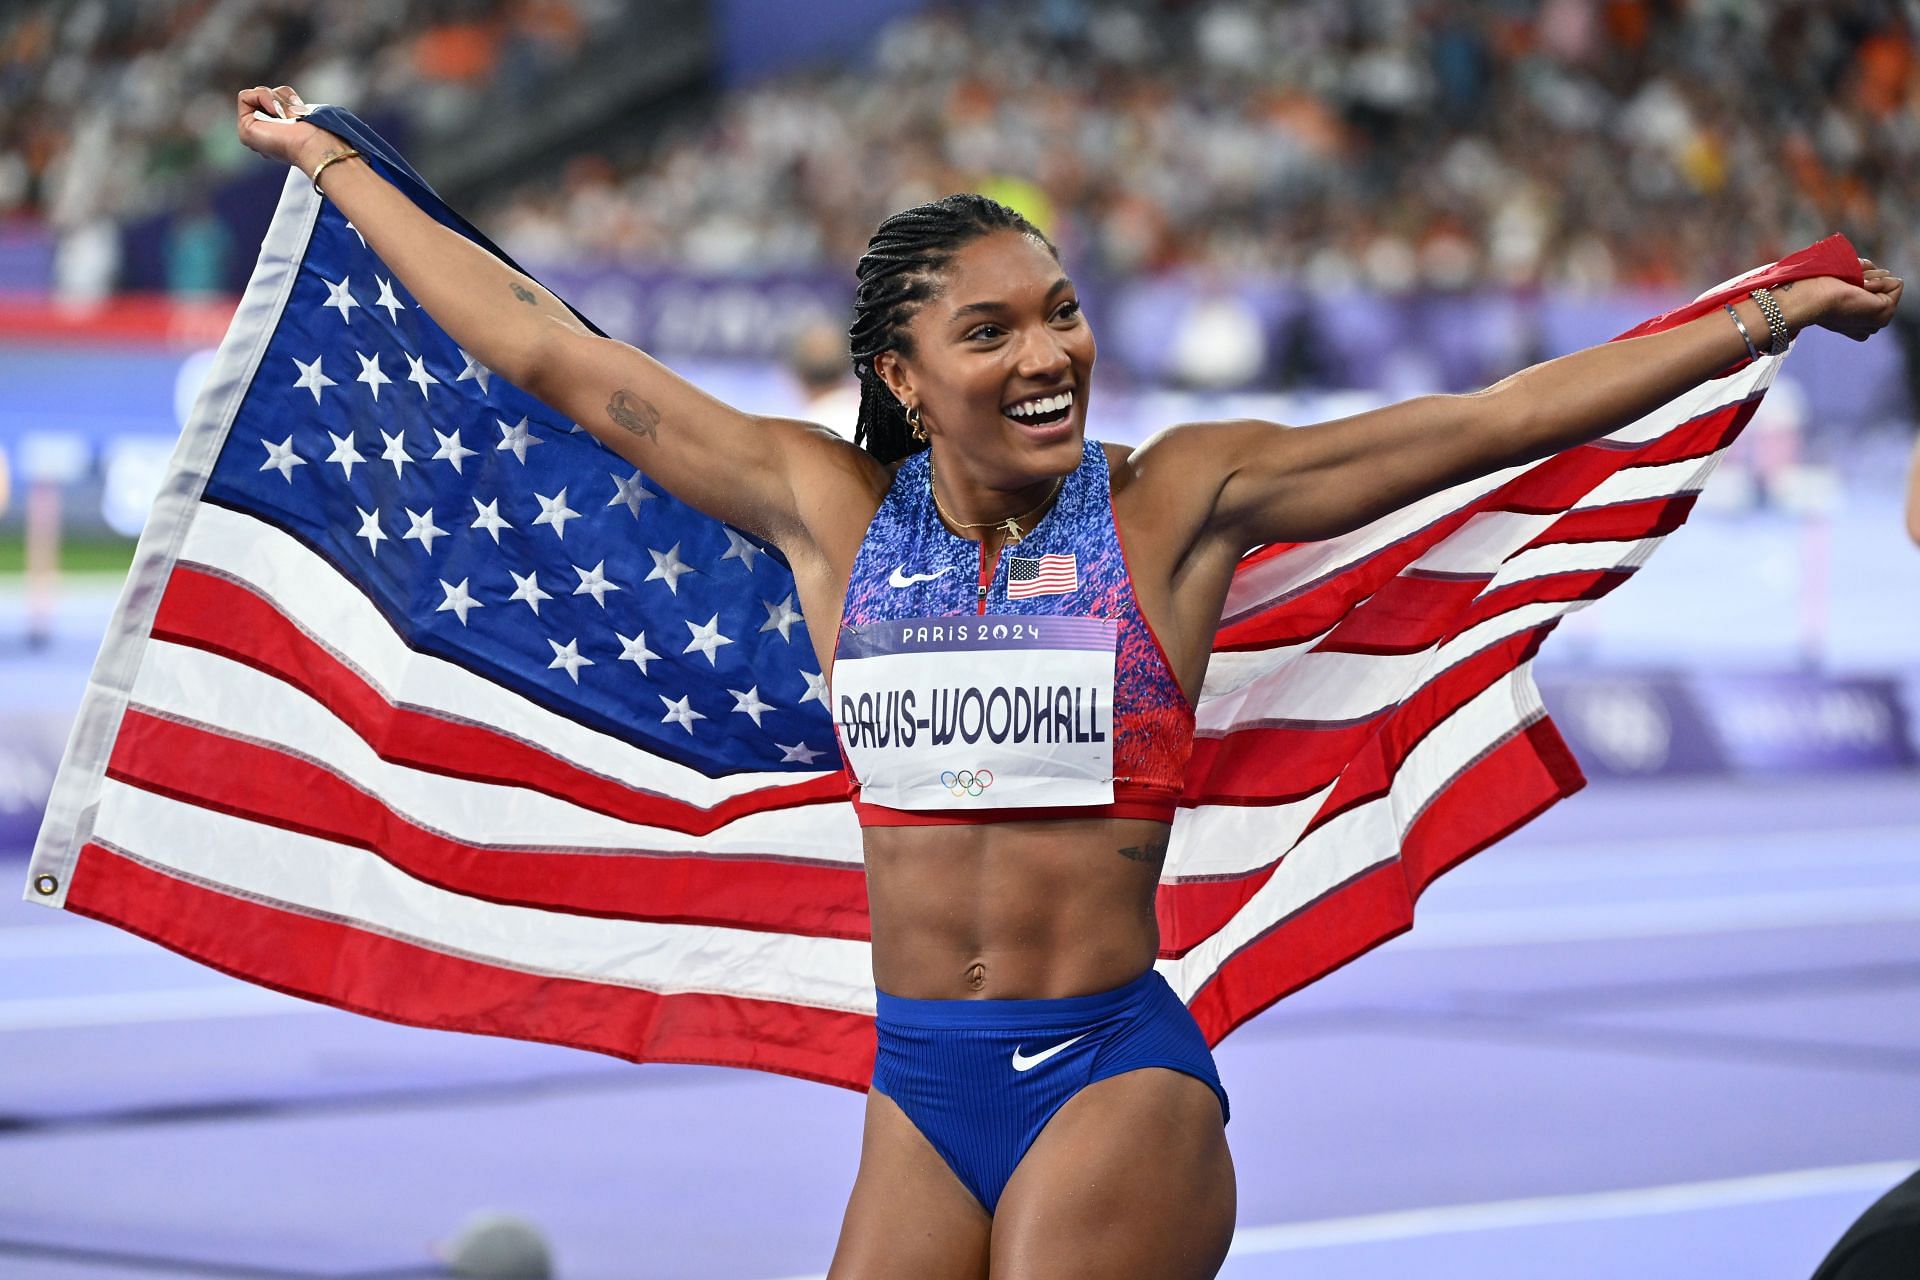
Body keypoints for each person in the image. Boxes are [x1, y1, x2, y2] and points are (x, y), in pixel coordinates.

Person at [234, 84, 1903, 1279]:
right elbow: (546, 352)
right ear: (901, 373)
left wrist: (1758, 315)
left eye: (1065, 313)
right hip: (918, 1083)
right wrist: (336, 166)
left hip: (1109, 1068)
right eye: (992, 332)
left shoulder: (1177, 503)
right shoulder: (822, 511)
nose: (1048, 355)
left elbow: (1479, 426)